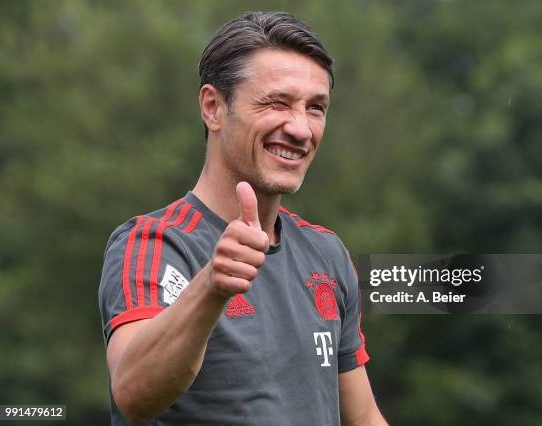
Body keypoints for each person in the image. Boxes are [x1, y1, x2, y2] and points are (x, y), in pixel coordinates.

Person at [98, 11, 387, 425]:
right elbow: (132, 393)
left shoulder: (327, 253)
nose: (301, 129)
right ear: (213, 107)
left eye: (316, 108)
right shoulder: (152, 244)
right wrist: (212, 286)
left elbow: (362, 418)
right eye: (277, 103)